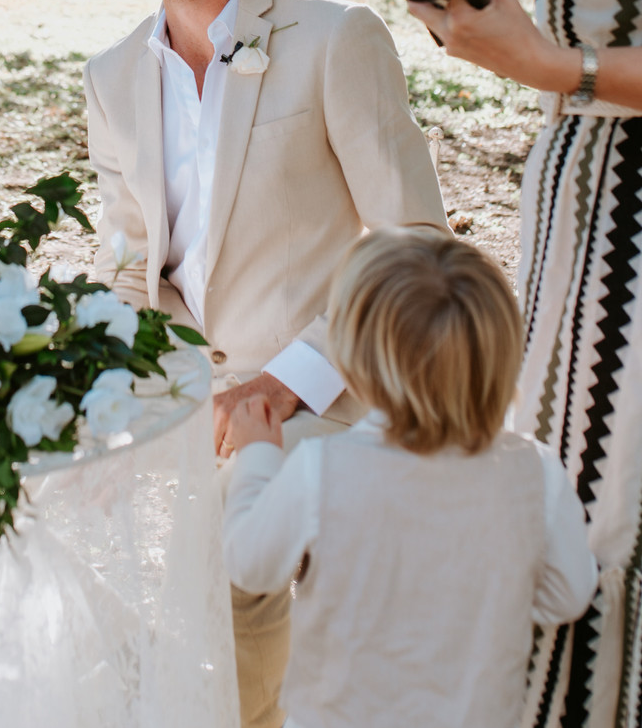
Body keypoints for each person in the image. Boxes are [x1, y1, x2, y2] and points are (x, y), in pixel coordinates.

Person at [84, 0, 448, 728]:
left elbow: (415, 245)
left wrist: (283, 387)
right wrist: (109, 387)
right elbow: (132, 265)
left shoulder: (334, 38)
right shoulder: (113, 74)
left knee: (235, 607)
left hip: (323, 391)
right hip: (178, 398)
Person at [404, 0, 642, 728]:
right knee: (569, 509)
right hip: (578, 223)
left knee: (612, 526)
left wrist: (550, 66)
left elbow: (567, 63)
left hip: (637, 249)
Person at [222, 229, 597, 728]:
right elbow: (567, 594)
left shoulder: (322, 469)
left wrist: (257, 458)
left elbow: (250, 566)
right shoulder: (537, 472)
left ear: (354, 367)